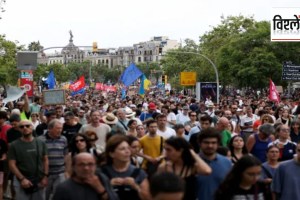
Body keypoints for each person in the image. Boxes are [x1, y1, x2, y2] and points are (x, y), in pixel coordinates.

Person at [8, 120, 48, 200]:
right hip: (21, 181)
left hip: (39, 180)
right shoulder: (13, 145)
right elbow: (12, 164)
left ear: (32, 127)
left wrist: (45, 176)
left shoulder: (41, 142)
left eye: (27, 126)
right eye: (22, 127)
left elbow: (45, 160)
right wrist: (22, 179)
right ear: (19, 129)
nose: (25, 128)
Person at [101, 134, 150, 200]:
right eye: (122, 149)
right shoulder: (102, 173)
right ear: (111, 153)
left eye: (128, 148)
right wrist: (108, 186)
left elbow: (148, 198)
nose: (127, 151)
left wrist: (135, 186)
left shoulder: (139, 173)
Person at [53, 152, 119, 200]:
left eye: (90, 164)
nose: (86, 168)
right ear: (73, 167)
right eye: (81, 165)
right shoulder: (63, 188)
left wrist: (101, 189)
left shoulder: (102, 179)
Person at [196, 127, 232, 200]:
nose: (210, 146)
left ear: (218, 144)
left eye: (213, 142)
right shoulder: (191, 162)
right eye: (206, 142)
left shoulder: (226, 162)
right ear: (200, 143)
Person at [38, 119, 68, 200]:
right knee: (44, 196)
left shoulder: (63, 139)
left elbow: (65, 154)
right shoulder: (40, 140)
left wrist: (66, 170)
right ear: (50, 129)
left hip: (60, 172)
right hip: (46, 174)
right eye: (57, 128)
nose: (60, 130)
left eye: (61, 128)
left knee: (58, 195)